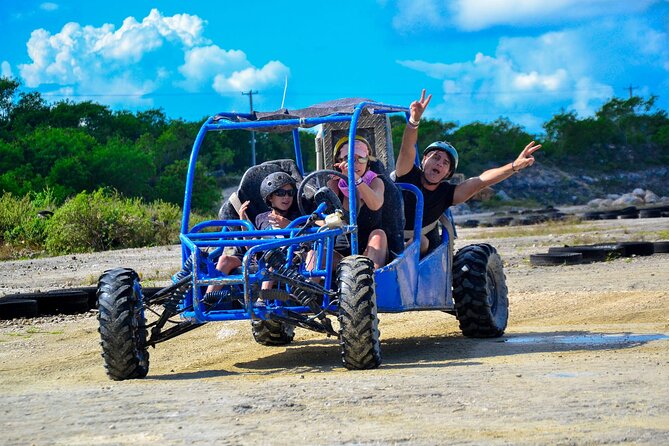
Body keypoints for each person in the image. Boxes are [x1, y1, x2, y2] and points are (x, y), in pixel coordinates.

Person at [396, 89, 542, 255]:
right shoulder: (406, 173)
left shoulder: (447, 194)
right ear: (424, 160)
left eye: (445, 163)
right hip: (389, 236)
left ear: (448, 173)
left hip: (418, 248)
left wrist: (514, 166)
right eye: (435, 157)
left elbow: (481, 181)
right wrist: (414, 121)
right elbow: (407, 149)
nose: (439, 164)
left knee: (421, 241)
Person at [206, 171, 300, 295]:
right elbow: (250, 246)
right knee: (224, 259)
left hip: (285, 259)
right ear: (270, 197)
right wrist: (243, 221)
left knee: (274, 259)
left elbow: (307, 236)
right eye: (280, 193)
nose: (286, 197)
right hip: (258, 258)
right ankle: (206, 302)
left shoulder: (297, 216)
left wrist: (288, 224)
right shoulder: (260, 218)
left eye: (290, 193)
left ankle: (262, 300)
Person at [326, 135, 388, 269]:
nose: (356, 163)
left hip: (369, 254)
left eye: (361, 158)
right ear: (339, 162)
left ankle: (371, 285)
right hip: (340, 257)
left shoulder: (376, 182)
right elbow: (322, 219)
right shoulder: (333, 184)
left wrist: (355, 179)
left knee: (379, 235)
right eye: (349, 159)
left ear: (368, 160)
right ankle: (306, 289)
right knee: (315, 250)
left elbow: (375, 204)